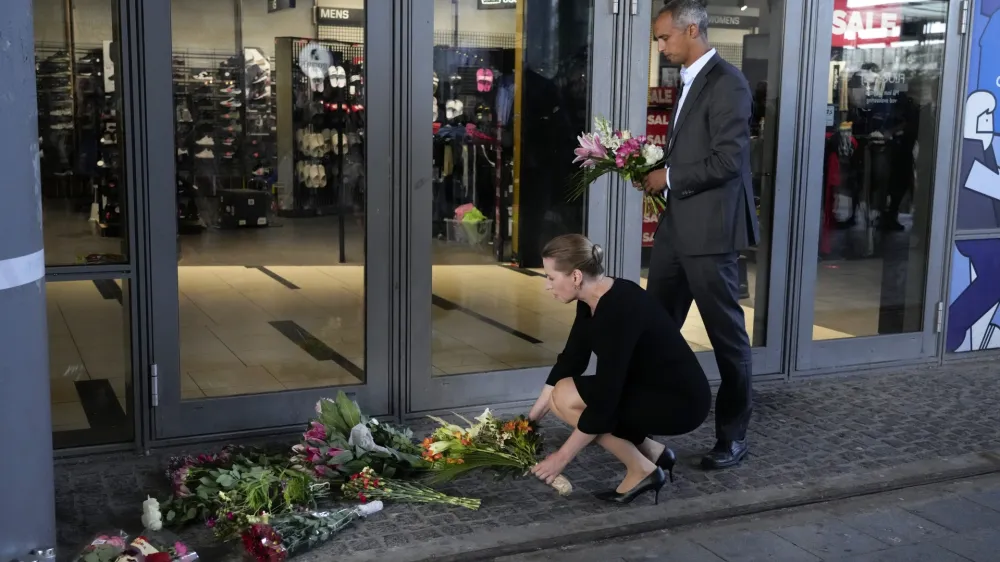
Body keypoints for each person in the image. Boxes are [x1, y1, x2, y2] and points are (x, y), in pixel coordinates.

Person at [641, 1, 759, 470]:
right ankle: (640, 426)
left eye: (664, 37)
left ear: (692, 30)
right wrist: (657, 171)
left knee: (727, 341)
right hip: (676, 230)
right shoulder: (689, 80)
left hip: (710, 234)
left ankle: (733, 437)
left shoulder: (728, 82)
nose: (660, 46)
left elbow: (729, 161)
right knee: (654, 332)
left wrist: (668, 177)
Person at [528, 234, 712, 504]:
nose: (547, 286)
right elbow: (571, 360)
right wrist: (529, 422)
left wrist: (561, 458)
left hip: (679, 402)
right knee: (560, 396)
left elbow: (605, 400)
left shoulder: (619, 309)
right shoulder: (591, 300)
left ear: (576, 276)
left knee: (567, 399)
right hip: (647, 387)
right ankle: (652, 452)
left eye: (551, 277)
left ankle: (642, 470)